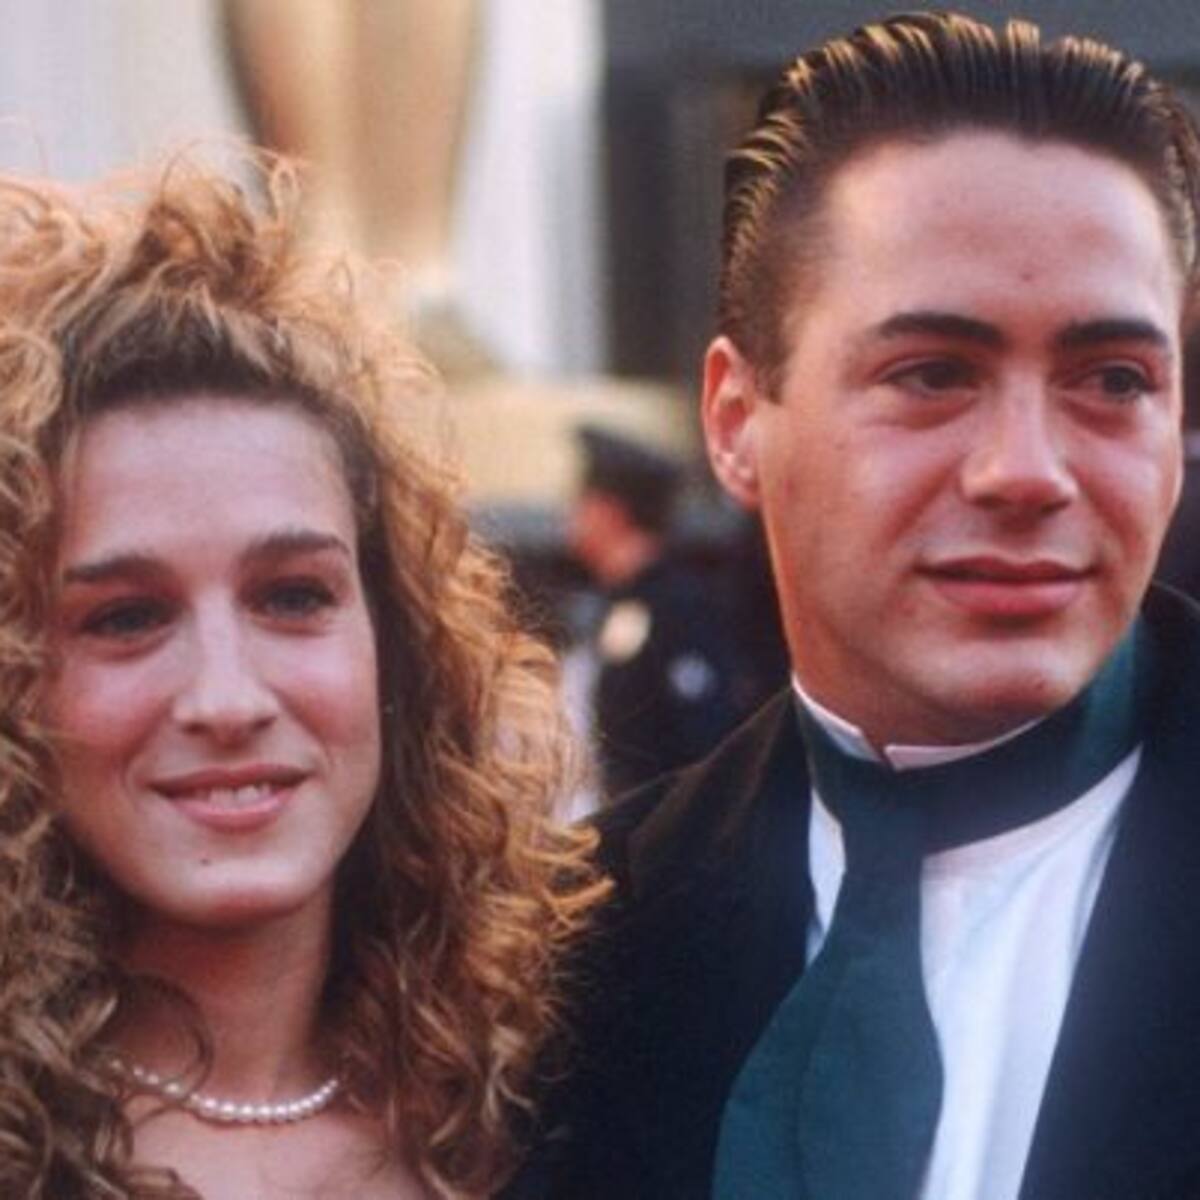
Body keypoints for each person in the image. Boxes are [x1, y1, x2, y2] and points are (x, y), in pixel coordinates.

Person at [512, 11, 1200, 1200]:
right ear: (736, 423)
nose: (1028, 471)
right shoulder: (567, 952)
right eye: (931, 374)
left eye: (1113, 380)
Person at [0, 156, 604, 1199]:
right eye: (127, 617)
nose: (230, 700)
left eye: (290, 597)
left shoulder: (560, 1108)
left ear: (396, 641)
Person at [566, 424, 744, 799]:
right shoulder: (619, 604)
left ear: (610, 513)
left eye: (582, 503)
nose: (572, 517)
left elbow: (704, 738)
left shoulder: (677, 606)